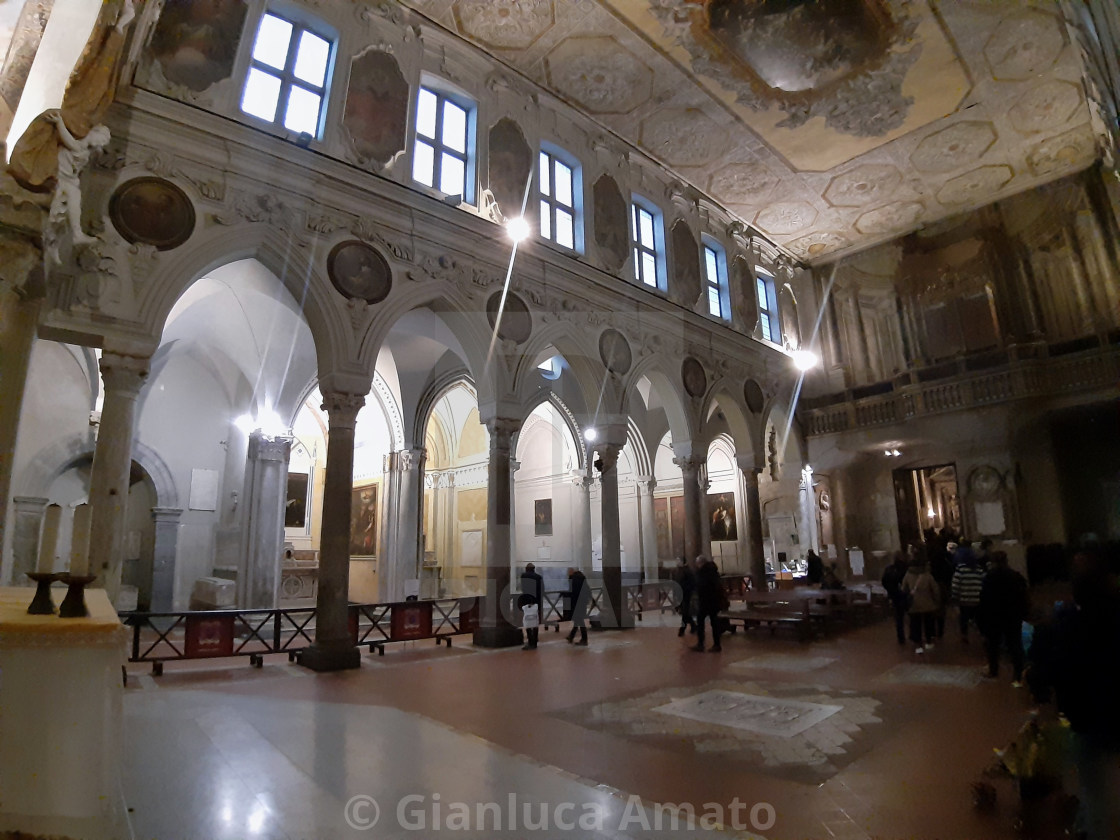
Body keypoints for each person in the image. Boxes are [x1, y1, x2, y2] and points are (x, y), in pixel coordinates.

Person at [1027, 549, 1120, 840]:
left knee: (1092, 785)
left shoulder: (1069, 626)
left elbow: (1057, 665)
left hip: (1088, 713)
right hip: (1108, 706)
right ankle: (1086, 823)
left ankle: (1093, 829)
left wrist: (1039, 682)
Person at [977, 551, 1029, 684]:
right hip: (1012, 615)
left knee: (993, 645)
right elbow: (1023, 596)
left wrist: (982, 619)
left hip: (994, 616)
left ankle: (993, 670)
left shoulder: (989, 578)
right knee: (1015, 644)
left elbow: (983, 600)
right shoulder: (1015, 576)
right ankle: (1018, 674)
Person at [901, 551, 941, 654]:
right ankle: (928, 642)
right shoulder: (927, 575)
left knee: (915, 625)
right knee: (928, 624)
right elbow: (935, 590)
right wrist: (937, 601)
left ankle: (918, 645)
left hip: (914, 605)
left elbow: (903, 588)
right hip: (928, 604)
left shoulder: (908, 574)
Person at [692, 555, 726, 653]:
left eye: (697, 564)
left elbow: (702, 585)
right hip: (714, 601)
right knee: (714, 623)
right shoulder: (713, 571)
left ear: (700, 563)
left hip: (706, 601)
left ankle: (701, 644)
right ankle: (716, 644)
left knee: (702, 621)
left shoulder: (703, 572)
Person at [950, 548, 985, 642]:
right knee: (979, 618)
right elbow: (983, 582)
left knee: (963, 618)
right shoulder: (979, 569)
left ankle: (964, 634)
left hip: (964, 599)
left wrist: (955, 597)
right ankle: (982, 634)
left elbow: (955, 584)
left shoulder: (960, 568)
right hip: (977, 598)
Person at [882, 551, 910, 645]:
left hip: (895, 595)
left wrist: (890, 590)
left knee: (899, 618)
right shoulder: (906, 568)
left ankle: (901, 637)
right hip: (905, 594)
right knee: (910, 615)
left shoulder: (890, 569)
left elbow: (884, 581)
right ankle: (913, 635)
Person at [518, 562, 544, 650]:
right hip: (537, 602)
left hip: (527, 602)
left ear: (526, 569)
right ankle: (535, 640)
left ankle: (530, 641)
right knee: (535, 621)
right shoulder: (539, 577)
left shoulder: (523, 576)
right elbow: (542, 590)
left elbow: (523, 588)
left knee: (528, 621)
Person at [565, 566, 589, 645]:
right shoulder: (582, 578)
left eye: (569, 571)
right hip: (582, 602)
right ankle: (571, 636)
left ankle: (584, 639)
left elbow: (572, 592)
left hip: (576, 603)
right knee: (578, 620)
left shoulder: (573, 579)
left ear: (572, 572)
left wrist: (564, 594)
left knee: (579, 620)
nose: (568, 573)